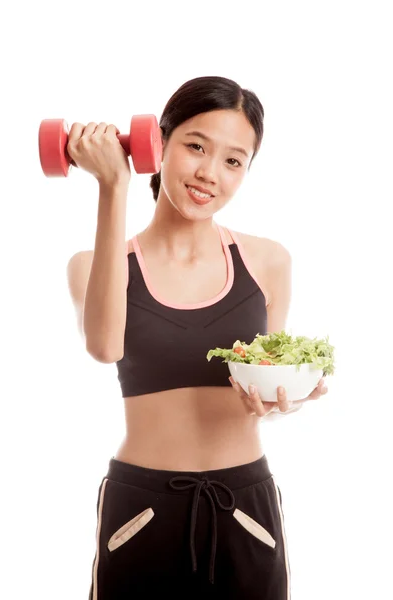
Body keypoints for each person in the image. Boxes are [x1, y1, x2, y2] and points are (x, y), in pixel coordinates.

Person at [66, 75, 328, 599]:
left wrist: (281, 398)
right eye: (195, 146)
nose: (210, 173)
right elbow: (104, 347)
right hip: (141, 509)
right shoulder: (94, 265)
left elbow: (266, 368)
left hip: (244, 504)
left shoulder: (267, 261)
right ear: (157, 145)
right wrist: (113, 185)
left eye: (234, 160)